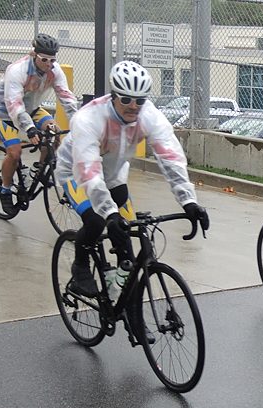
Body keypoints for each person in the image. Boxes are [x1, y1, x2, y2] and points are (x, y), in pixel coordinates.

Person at [55, 60, 208, 300]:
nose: (133, 106)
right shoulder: (89, 119)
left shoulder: (150, 117)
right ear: (113, 96)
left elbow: (171, 158)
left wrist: (188, 201)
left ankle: (123, 302)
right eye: (126, 99)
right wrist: (109, 213)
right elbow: (89, 171)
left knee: (127, 244)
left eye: (140, 100)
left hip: (114, 176)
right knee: (96, 221)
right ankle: (80, 266)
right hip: (76, 173)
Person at [0, 33, 80, 216]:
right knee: (14, 152)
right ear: (34, 54)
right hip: (4, 110)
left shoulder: (55, 71)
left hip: (32, 108)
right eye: (44, 59)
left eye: (52, 60)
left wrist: (79, 123)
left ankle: (36, 172)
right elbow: (14, 105)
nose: (49, 64)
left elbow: (66, 97)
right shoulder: (17, 70)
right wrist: (29, 129)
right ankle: (6, 189)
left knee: (54, 135)